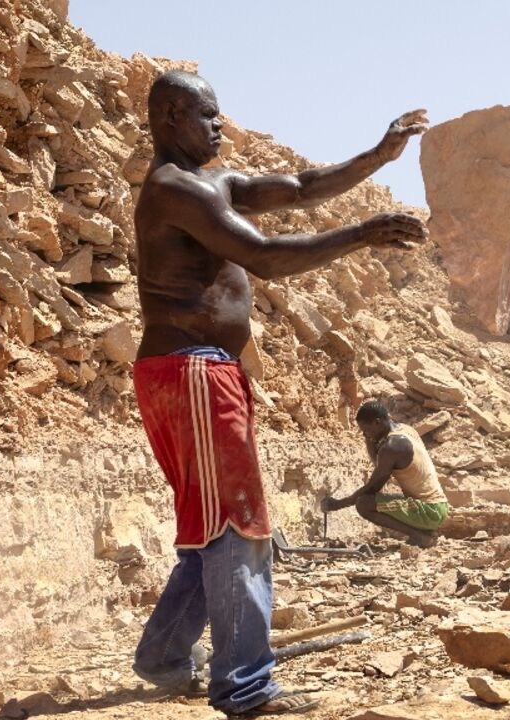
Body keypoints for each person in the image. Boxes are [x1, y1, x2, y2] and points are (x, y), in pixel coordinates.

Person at [129, 69, 427, 717]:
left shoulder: (209, 182)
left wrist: (378, 155)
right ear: (171, 116)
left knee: (214, 526)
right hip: (193, 371)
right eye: (208, 116)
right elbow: (263, 256)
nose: (220, 126)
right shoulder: (174, 188)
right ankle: (244, 687)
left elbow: (301, 187)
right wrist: (362, 234)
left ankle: (163, 656)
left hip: (191, 372)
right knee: (239, 527)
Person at [320, 400, 450, 548]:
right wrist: (369, 439)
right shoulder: (405, 430)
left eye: (366, 430)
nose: (365, 434)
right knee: (380, 500)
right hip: (438, 506)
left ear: (377, 422)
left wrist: (337, 504)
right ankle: (423, 532)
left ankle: (420, 536)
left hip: (430, 511)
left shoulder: (391, 447)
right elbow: (378, 463)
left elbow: (372, 488)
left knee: (363, 503)